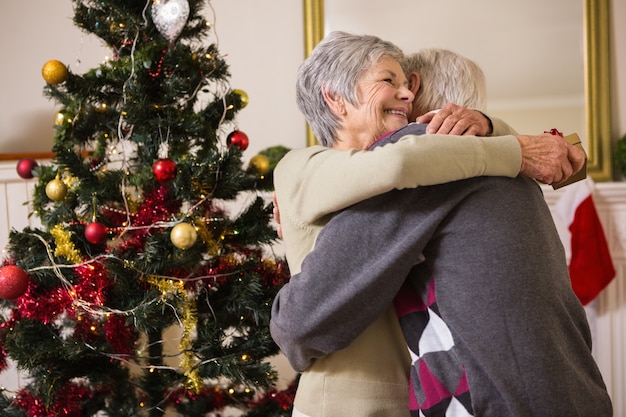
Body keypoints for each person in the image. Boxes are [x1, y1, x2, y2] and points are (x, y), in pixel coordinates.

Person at [269, 31, 592, 417]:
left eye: (407, 84)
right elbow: (401, 161)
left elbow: (412, 158)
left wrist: (500, 135)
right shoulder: (322, 168)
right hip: (350, 401)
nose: (404, 95)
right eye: (390, 81)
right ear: (335, 98)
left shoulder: (439, 170)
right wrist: (514, 143)